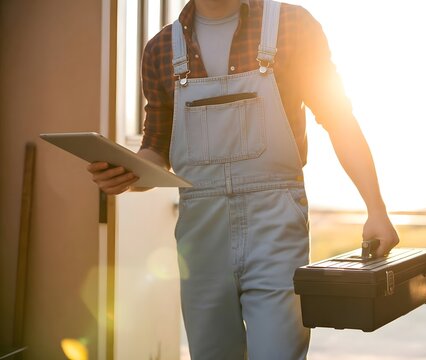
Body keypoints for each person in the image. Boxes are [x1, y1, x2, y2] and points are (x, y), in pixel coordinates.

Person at [88, 0, 399, 359]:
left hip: (275, 224)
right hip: (201, 235)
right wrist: (127, 175)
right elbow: (156, 148)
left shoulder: (292, 25)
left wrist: (376, 208)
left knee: (279, 353)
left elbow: (338, 118)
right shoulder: (160, 49)